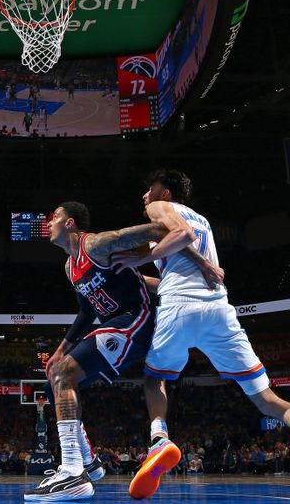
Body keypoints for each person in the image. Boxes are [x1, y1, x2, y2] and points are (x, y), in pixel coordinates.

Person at [111, 169, 290, 500]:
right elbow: (176, 264)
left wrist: (146, 256)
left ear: (166, 193)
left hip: (179, 306)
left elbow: (180, 235)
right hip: (218, 309)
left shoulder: (161, 211)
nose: (145, 196)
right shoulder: (203, 220)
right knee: (269, 403)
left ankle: (159, 440)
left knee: (154, 379)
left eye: (150, 189)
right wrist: (136, 274)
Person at [26, 201, 220, 501]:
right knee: (55, 378)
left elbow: (162, 230)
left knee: (65, 374)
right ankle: (88, 463)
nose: (48, 224)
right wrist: (61, 349)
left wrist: (196, 264)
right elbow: (87, 311)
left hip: (137, 320)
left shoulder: (100, 244)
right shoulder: (70, 267)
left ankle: (73, 471)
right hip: (116, 324)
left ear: (70, 224)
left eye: (54, 218)